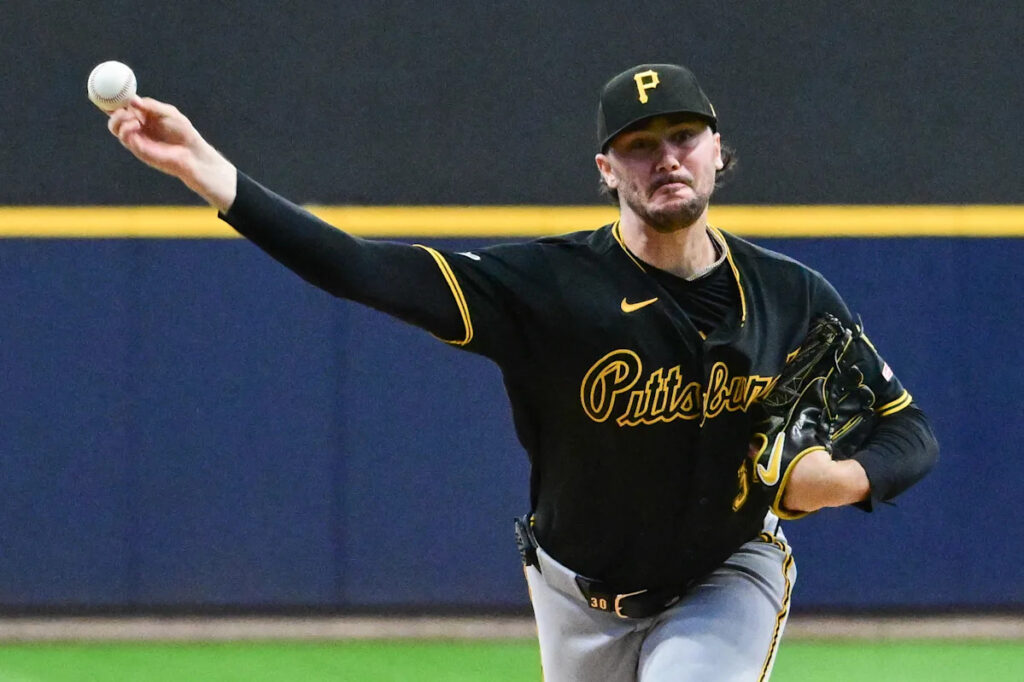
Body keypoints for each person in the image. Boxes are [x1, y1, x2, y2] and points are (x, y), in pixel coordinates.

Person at [106, 63, 938, 681]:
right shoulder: (547, 288)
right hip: (576, 597)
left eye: (683, 137)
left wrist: (849, 478)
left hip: (727, 570)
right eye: (638, 146)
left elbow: (909, 430)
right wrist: (207, 171)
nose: (666, 159)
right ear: (606, 171)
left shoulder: (790, 296)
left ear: (719, 151)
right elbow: (360, 269)